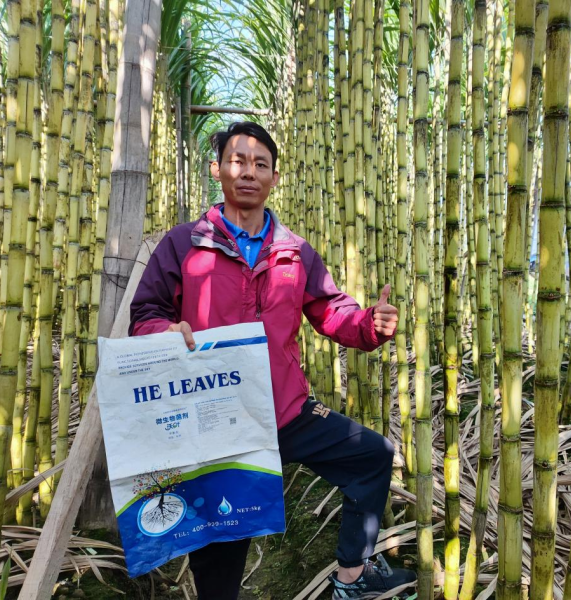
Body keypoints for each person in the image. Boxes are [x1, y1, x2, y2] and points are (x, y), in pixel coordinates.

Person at [129, 121, 417, 600]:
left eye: (260, 164)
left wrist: (370, 324)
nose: (249, 172)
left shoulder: (294, 252)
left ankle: (352, 577)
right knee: (223, 549)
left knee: (372, 456)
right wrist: (167, 331)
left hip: (285, 409)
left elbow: (331, 311)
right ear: (217, 169)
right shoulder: (184, 245)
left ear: (274, 178)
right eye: (238, 161)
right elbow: (145, 314)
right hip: (216, 421)